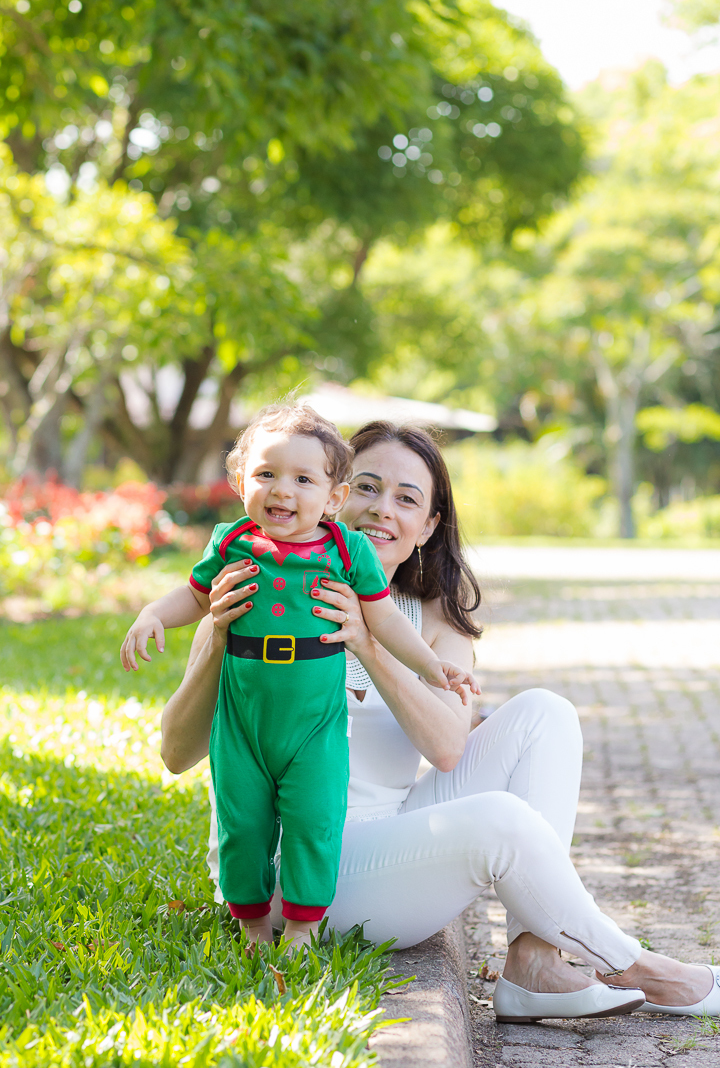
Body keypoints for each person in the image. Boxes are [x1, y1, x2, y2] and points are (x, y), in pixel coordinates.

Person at [160, 419, 720, 1021]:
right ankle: (634, 964)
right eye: (368, 487)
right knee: (499, 820)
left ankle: (534, 961)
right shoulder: (254, 592)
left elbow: (448, 748)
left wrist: (367, 641)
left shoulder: (430, 619)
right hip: (290, 869)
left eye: (407, 499)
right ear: (336, 495)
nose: (382, 510)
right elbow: (176, 753)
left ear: (427, 527)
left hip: (392, 845)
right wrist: (218, 638)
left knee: (545, 714)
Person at [121, 405, 477, 950]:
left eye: (303, 480)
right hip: (245, 723)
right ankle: (253, 925)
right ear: (240, 482)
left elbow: (385, 621)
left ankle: (303, 931)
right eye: (266, 474)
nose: (283, 490)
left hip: (318, 736)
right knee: (244, 820)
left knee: (313, 815)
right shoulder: (233, 552)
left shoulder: (349, 556)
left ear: (331, 496)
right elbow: (191, 598)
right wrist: (166, 619)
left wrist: (430, 666)